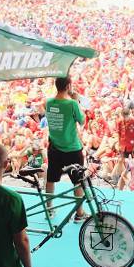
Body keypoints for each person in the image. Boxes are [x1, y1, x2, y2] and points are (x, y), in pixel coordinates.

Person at [45, 77, 86, 220]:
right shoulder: (72, 104)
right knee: (78, 181)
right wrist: (77, 102)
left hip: (54, 147)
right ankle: (79, 213)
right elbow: (82, 121)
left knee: (50, 178)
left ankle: (49, 209)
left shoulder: (48, 102)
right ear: (69, 86)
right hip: (72, 149)